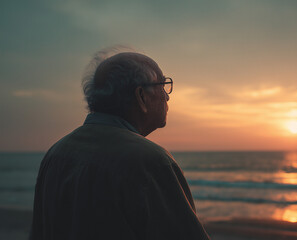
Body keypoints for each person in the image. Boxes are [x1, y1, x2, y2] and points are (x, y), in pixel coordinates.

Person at [30, 49, 210, 240]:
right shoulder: (150, 161)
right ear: (141, 96)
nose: (167, 97)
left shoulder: (56, 153)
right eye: (162, 85)